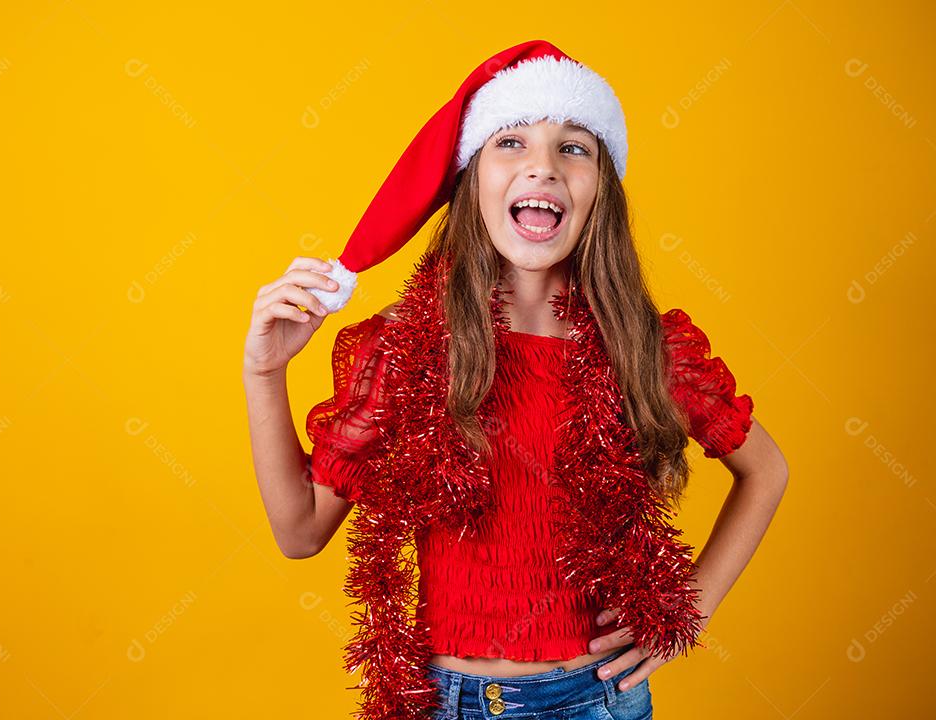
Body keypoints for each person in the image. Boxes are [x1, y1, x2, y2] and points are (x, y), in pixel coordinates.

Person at [244, 40, 788, 720]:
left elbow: (766, 468)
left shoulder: (642, 345)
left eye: (574, 147)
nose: (543, 166)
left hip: (597, 699)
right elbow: (299, 534)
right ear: (472, 179)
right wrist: (265, 372)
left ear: (601, 193)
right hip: (449, 702)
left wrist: (689, 608)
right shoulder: (408, 343)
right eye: (510, 142)